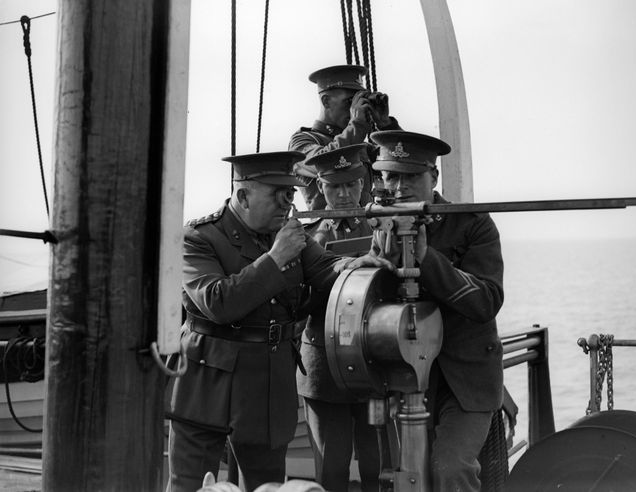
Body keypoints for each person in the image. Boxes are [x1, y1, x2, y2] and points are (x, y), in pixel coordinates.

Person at [165, 151, 347, 492]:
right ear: (243, 196)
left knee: (267, 488)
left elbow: (328, 270)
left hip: (266, 384)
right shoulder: (199, 237)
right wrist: (276, 258)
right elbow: (218, 302)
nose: (286, 203)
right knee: (189, 487)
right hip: (207, 382)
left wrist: (367, 262)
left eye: (290, 194)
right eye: (276, 194)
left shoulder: (288, 235)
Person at [344, 130, 505, 491]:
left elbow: (485, 301)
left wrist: (426, 257)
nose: (399, 187)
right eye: (391, 176)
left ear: (434, 177)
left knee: (451, 470)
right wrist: (367, 267)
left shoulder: (474, 224)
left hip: (466, 379)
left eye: (411, 176)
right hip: (406, 374)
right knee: (408, 475)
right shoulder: (384, 224)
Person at [297, 144, 379, 492]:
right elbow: (295, 301)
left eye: (351, 184)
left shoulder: (382, 227)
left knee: (381, 464)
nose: (344, 194)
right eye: (334, 187)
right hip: (324, 365)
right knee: (332, 468)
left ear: (363, 183)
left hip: (375, 356)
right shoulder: (304, 235)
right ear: (321, 187)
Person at [288, 64, 400, 211]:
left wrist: (386, 125)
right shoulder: (302, 141)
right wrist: (357, 126)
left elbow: (402, 160)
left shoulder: (360, 146)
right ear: (326, 101)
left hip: (367, 231)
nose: (355, 107)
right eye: (349, 102)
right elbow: (323, 161)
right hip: (325, 231)